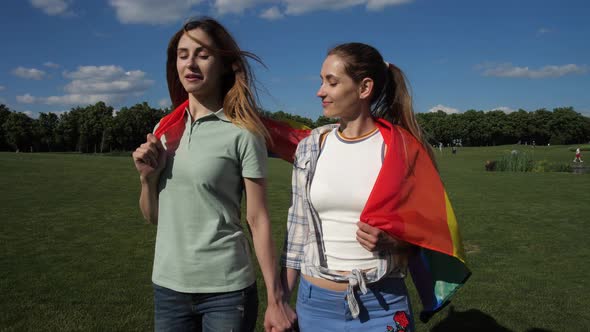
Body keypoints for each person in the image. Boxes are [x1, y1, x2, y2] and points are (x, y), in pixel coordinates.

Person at [132, 17, 295, 332]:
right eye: (183, 55)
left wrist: (276, 299)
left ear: (223, 64)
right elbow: (154, 217)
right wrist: (146, 179)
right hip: (168, 287)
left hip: (226, 290)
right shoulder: (163, 131)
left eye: (202, 54)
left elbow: (258, 219)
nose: (190, 63)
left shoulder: (244, 133)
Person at [279, 43, 447, 332]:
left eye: (332, 82)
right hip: (315, 305)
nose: (320, 91)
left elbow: (430, 227)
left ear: (364, 87)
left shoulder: (401, 149)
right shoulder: (311, 147)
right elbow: (297, 231)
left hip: (383, 303)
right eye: (321, 81)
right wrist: (279, 300)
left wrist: (395, 241)